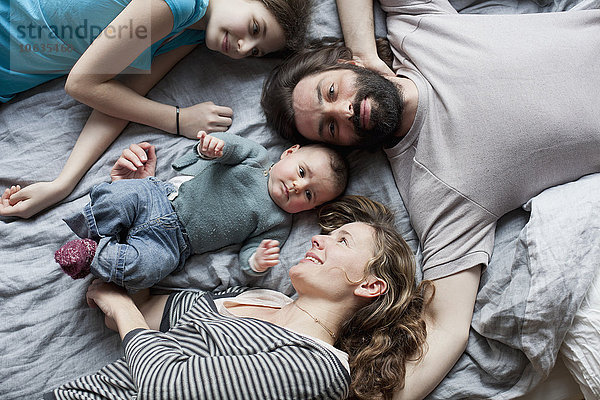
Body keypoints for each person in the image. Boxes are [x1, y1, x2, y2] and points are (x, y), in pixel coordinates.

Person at [261, 0, 600, 398]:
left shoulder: (417, 29)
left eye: (332, 90)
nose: (345, 109)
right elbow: (443, 327)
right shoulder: (436, 192)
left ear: (347, 64)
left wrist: (365, 51)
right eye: (331, 127)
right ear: (342, 148)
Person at [44, 195, 432, 400]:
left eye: (341, 240)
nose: (318, 238)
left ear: (369, 286)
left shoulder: (322, 368)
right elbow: (144, 320)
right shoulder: (259, 295)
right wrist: (140, 214)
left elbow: (164, 386)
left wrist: (121, 306)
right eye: (328, 233)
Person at [0, 0, 311, 219]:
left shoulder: (190, 32)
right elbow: (81, 85)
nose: (243, 48)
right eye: (254, 27)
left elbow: (120, 98)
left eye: (255, 51)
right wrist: (177, 120)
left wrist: (62, 184)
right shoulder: (176, 4)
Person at [53, 131, 348, 290]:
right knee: (122, 196)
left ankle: (92, 256)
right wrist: (215, 147)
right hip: (161, 197)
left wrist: (257, 261)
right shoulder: (257, 158)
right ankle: (92, 229)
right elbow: (231, 147)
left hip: (174, 245)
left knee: (147, 270)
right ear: (289, 152)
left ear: (312, 207)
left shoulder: (279, 223)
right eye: (301, 171)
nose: (297, 186)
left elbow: (249, 257)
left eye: (309, 193)